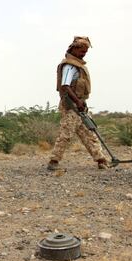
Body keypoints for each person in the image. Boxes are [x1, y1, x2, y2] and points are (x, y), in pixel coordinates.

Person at [47, 36, 109, 171]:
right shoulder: (69, 66)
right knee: (66, 134)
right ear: (74, 49)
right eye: (82, 51)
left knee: (89, 132)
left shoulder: (78, 66)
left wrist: (81, 102)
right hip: (71, 106)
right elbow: (65, 86)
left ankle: (101, 160)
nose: (84, 54)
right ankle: (54, 161)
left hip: (79, 104)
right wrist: (77, 101)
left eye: (85, 52)